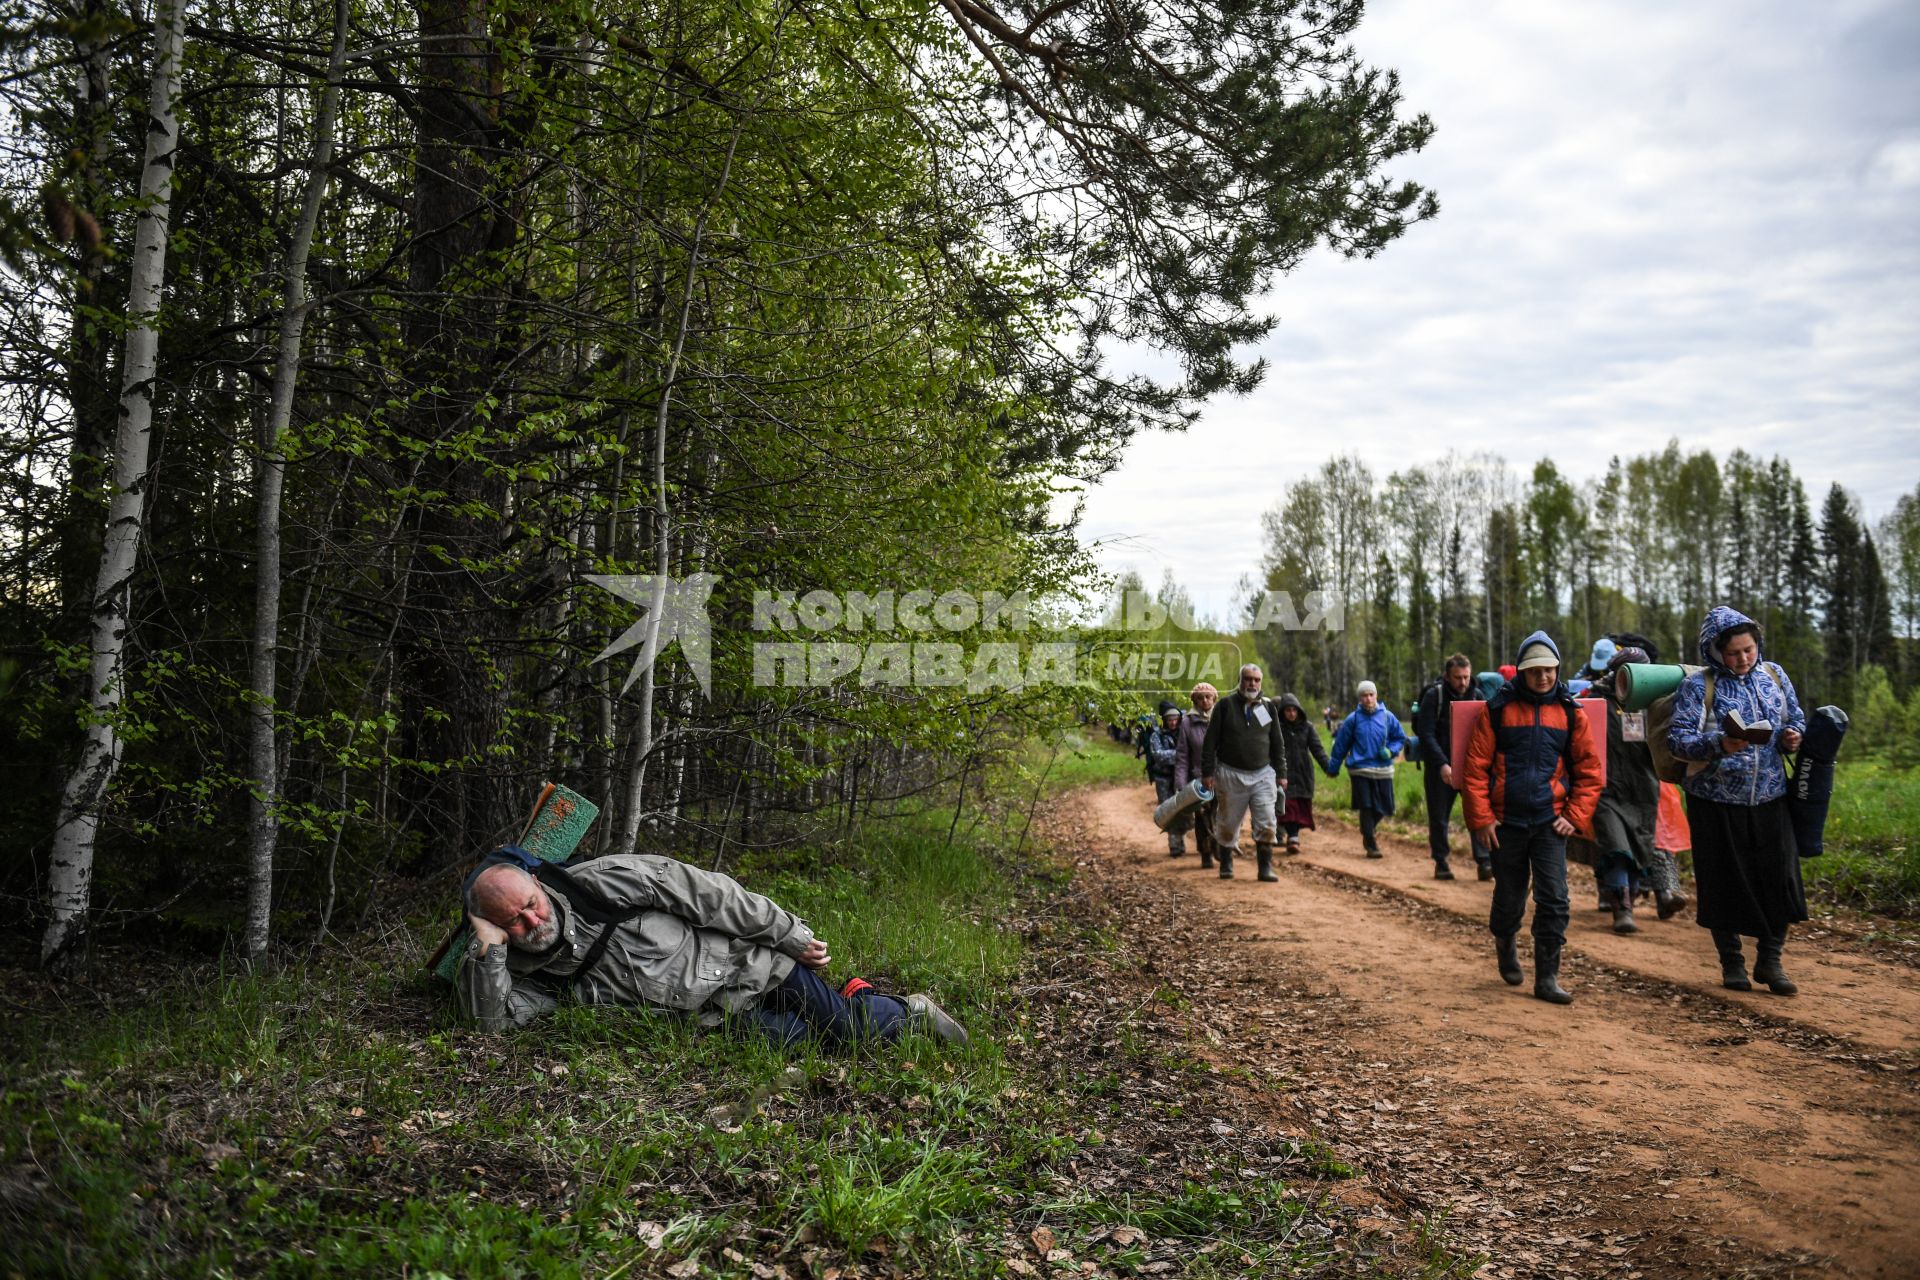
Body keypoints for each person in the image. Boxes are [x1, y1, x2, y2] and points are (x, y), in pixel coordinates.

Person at [457, 854, 969, 1046]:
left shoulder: (602, 882)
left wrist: (788, 934)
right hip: (716, 1019)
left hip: (753, 966)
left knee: (847, 1034)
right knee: (806, 1043)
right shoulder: (522, 968)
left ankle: (908, 1009)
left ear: (537, 885)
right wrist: (487, 951)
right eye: (511, 923)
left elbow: (714, 896)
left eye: (530, 905)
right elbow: (491, 1024)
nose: (531, 922)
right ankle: (856, 996)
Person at [1666, 606, 1807, 995]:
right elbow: (1677, 740)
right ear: (1714, 651)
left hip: (1770, 796)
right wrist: (1719, 743)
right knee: (1722, 881)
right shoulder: (1699, 686)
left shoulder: (1774, 676)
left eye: (1749, 649)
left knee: (1780, 880)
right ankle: (1732, 963)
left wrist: (1793, 734)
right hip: (1714, 802)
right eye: (1734, 653)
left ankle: (1771, 960)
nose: (1743, 659)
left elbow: (1795, 717)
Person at [1461, 631, 1604, 1005]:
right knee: (1509, 898)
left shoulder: (1572, 714)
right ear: (1521, 672)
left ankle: (1547, 978)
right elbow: (1475, 769)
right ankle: (1505, 943)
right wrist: (1482, 820)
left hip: (1549, 822)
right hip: (1505, 823)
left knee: (1555, 899)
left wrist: (1574, 815)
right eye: (1534, 670)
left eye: (1549, 670)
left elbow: (1590, 771)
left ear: (1558, 670)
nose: (1543, 677)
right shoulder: (1496, 710)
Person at [1579, 645, 1663, 933]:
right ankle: (1622, 908)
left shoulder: (1655, 702)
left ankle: (1636, 898)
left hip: (1643, 790)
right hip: (1605, 788)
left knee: (1639, 847)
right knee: (1616, 847)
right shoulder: (1593, 698)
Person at [1200, 664, 1288, 882]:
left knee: (1267, 821)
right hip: (1230, 773)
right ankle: (1226, 864)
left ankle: (1265, 867)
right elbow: (1210, 742)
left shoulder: (1267, 709)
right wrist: (1208, 772)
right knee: (1228, 822)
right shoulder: (1225, 706)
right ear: (1241, 680)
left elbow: (1277, 743)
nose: (1252, 684)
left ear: (1261, 682)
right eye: (1248, 679)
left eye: (1256, 680)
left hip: (1263, 774)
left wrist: (1282, 772)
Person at [1413, 654, 1490, 881]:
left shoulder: (1478, 696)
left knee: (1478, 814)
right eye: (1458, 677)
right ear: (1448, 676)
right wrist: (1441, 764)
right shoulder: (1433, 696)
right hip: (1440, 769)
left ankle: (1485, 862)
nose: (1463, 682)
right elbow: (1426, 733)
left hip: (1471, 769)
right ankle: (1441, 861)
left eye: (1466, 677)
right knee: (1439, 817)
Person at [1326, 680, 1407, 859]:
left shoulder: (1387, 717)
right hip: (1360, 769)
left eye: (1371, 695)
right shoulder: (1352, 719)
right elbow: (1340, 745)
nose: (1368, 699)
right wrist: (1333, 767)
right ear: (1360, 698)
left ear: (1376, 696)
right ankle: (1370, 843)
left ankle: (1366, 828)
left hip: (1383, 769)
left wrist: (1391, 751)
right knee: (1367, 806)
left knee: (1385, 807)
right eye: (1364, 695)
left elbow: (1400, 738)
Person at [1274, 692, 1331, 853]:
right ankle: (1292, 838)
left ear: (1298, 710)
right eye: (1288, 710)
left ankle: (1293, 836)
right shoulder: (1277, 728)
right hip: (1283, 773)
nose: (1291, 714)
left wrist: (1328, 767)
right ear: (1283, 712)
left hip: (1303, 772)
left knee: (1300, 806)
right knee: (1287, 805)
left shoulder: (1307, 727)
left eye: (1294, 710)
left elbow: (1317, 749)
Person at [1174, 682, 1220, 868]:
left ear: (1214, 698)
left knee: (1224, 814)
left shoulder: (1223, 717)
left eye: (1208, 697)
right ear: (1194, 700)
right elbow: (1183, 756)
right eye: (1200, 698)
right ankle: (1205, 852)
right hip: (1199, 778)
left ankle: (1221, 846)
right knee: (1202, 817)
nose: (1205, 701)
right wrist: (1181, 783)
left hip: (1224, 776)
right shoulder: (1187, 722)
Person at [1142, 703, 1186, 857]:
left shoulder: (1183, 732)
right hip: (1163, 780)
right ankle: (1174, 844)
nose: (1173, 722)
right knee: (1168, 811)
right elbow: (1159, 755)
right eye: (1170, 720)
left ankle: (1182, 838)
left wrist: (1178, 755)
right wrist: (1180, 755)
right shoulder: (1156, 735)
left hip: (1181, 777)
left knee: (1184, 810)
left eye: (1175, 719)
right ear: (1164, 720)